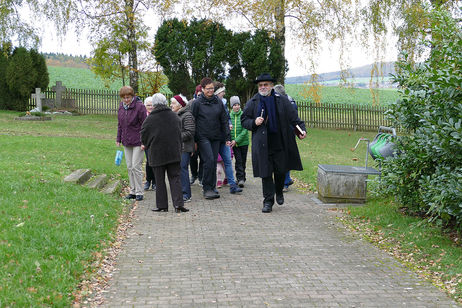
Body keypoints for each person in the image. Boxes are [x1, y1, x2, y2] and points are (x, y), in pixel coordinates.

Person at [241, 73, 306, 213]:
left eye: (265, 85)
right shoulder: (253, 102)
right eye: (260, 85)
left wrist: (302, 130)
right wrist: (254, 122)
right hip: (263, 145)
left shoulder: (282, 100)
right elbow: (244, 120)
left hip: (280, 142)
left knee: (281, 171)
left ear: (271, 86)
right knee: (266, 174)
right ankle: (268, 201)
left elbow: (294, 119)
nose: (263, 87)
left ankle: (279, 191)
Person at [141, 93, 189, 213]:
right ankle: (178, 204)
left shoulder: (150, 119)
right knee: (175, 178)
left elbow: (143, 135)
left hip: (157, 154)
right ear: (165, 102)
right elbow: (179, 133)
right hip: (173, 152)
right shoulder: (174, 116)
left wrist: (148, 143)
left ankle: (162, 205)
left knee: (159, 180)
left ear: (155, 104)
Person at [190, 77, 231, 200]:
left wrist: (227, 136)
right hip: (202, 137)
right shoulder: (197, 103)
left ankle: (212, 187)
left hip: (216, 137)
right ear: (202, 89)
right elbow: (192, 121)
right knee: (208, 160)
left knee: (213, 161)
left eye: (212, 88)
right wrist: (193, 140)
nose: (210, 91)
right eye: (208, 89)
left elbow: (224, 119)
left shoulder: (218, 102)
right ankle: (206, 188)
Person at [116, 86, 147, 201]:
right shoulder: (121, 107)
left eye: (128, 97)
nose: (126, 100)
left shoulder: (140, 107)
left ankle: (139, 192)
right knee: (129, 167)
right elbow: (120, 124)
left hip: (138, 142)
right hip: (126, 141)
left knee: (136, 166)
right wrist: (118, 138)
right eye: (124, 98)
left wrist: (144, 142)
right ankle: (132, 191)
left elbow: (145, 126)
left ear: (132, 96)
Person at [214, 82, 243, 194]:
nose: (224, 93)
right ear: (218, 93)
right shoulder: (212, 103)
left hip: (225, 138)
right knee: (213, 162)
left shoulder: (224, 103)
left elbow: (227, 117)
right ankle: (212, 185)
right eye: (222, 92)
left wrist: (229, 124)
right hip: (215, 138)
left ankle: (232, 185)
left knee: (228, 161)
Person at [171, 94, 195, 203]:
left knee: (183, 169)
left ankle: (186, 194)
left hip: (185, 147)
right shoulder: (175, 114)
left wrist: (175, 137)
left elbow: (190, 132)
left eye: (173, 103)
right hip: (176, 147)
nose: (171, 105)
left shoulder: (187, 115)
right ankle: (180, 192)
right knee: (178, 170)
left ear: (180, 105)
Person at [274, 84, 298, 192]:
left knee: (283, 158)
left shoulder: (286, 103)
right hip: (290, 133)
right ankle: (286, 180)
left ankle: (285, 182)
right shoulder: (291, 101)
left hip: (286, 133)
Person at [229, 96, 249, 187]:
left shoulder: (244, 115)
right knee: (238, 161)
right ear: (231, 106)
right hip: (234, 144)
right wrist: (232, 140)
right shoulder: (229, 116)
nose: (236, 107)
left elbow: (245, 130)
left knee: (243, 161)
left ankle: (243, 178)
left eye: (238, 105)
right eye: (234, 105)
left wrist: (237, 140)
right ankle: (240, 178)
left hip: (243, 142)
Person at [189, 85, 202, 185]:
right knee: (193, 157)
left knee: (203, 157)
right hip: (193, 134)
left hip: (203, 135)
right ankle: (194, 174)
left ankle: (201, 176)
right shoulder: (191, 104)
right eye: (199, 94)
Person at [143, 96, 156, 191]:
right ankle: (148, 180)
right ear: (145, 106)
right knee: (149, 161)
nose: (150, 107)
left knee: (155, 162)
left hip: (156, 142)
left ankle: (155, 182)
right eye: (148, 105)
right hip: (147, 142)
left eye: (152, 105)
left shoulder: (157, 115)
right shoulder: (143, 115)